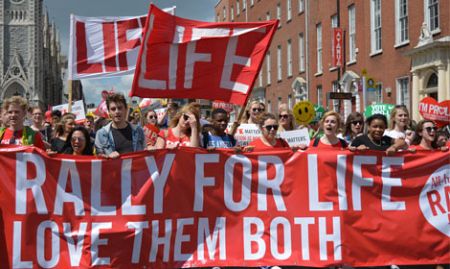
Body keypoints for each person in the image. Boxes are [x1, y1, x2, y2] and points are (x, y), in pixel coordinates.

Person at [95, 93, 146, 158]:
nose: (117, 111)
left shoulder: (138, 130)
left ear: (126, 109)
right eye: (113, 109)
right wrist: (108, 156)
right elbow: (98, 158)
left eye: (120, 108)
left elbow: (145, 151)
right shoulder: (101, 134)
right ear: (109, 112)